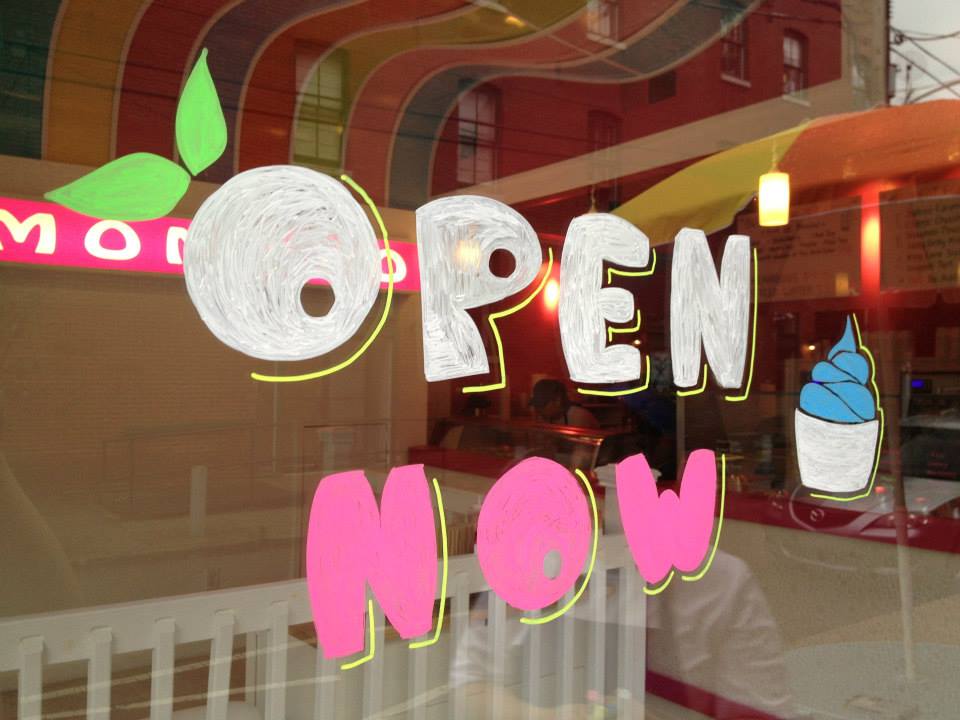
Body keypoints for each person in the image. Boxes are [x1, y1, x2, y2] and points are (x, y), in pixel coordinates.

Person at [529, 379, 599, 429]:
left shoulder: (580, 417)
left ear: (557, 401)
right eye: (536, 405)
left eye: (542, 405)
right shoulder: (543, 419)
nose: (538, 409)